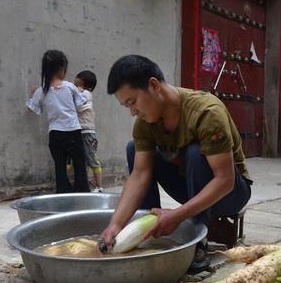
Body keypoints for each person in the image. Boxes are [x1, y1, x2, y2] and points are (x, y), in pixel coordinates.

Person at [99, 55, 252, 271]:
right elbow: (140, 175)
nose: (132, 111)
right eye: (126, 106)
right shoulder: (145, 123)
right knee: (133, 148)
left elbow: (224, 180)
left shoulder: (206, 112)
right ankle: (145, 234)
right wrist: (115, 224)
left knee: (195, 153)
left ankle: (198, 241)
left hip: (230, 193)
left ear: (153, 86)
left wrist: (178, 215)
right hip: (190, 187)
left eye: (132, 102)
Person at [26, 50, 90, 193]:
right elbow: (80, 104)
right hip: (73, 131)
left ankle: (63, 194)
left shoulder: (42, 91)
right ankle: (82, 194)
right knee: (79, 165)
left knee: (60, 167)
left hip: (55, 133)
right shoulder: (69, 87)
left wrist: (32, 94)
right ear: (62, 69)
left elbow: (32, 108)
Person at [73, 70, 104, 192]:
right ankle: (84, 184)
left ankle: (99, 186)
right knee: (83, 161)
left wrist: (77, 92)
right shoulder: (81, 92)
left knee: (92, 159)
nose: (75, 80)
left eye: (78, 79)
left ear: (85, 83)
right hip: (81, 131)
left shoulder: (85, 94)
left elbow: (78, 106)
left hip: (87, 132)